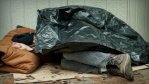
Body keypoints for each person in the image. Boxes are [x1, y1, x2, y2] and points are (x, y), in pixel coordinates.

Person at [11, 32, 134, 81]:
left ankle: (115, 59)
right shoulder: (34, 48)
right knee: (65, 63)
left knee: (67, 54)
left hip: (84, 47)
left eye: (33, 40)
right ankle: (111, 68)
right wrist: (32, 49)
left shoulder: (44, 34)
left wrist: (35, 45)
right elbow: (50, 59)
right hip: (69, 55)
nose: (34, 42)